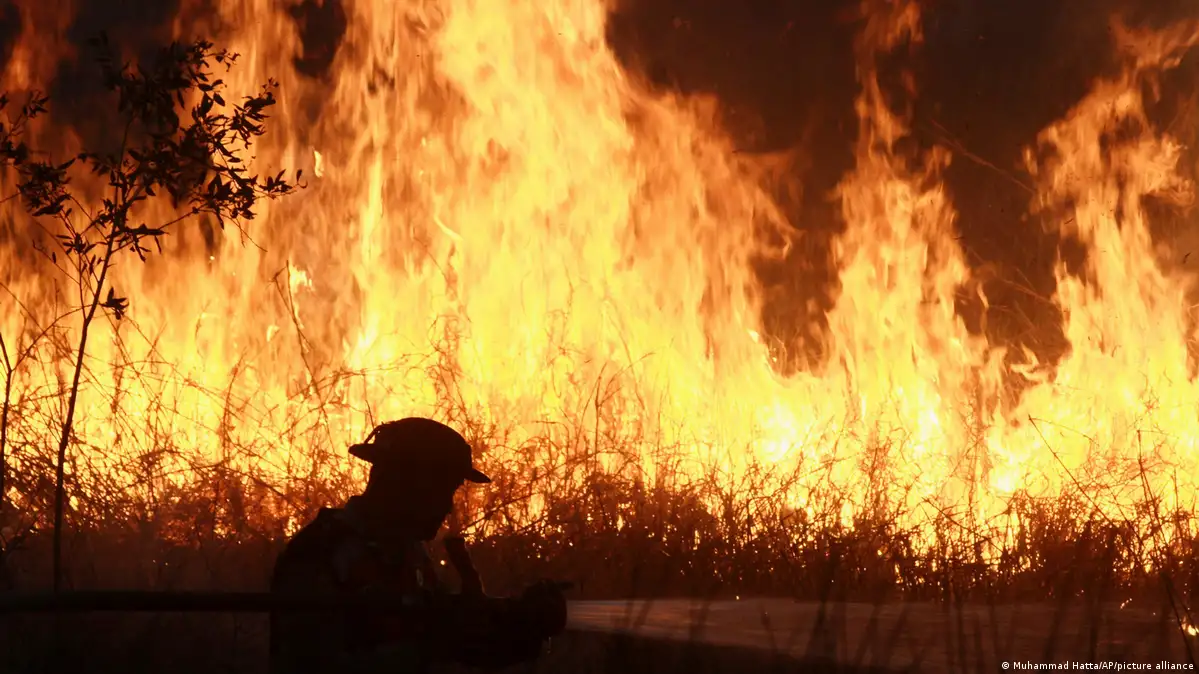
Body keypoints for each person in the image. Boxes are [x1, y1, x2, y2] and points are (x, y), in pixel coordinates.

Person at [268, 417, 567, 674]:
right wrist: (432, 647)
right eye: (441, 489)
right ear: (403, 482)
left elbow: (459, 645)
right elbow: (310, 664)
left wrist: (523, 627)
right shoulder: (321, 554)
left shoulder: (407, 553)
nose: (448, 506)